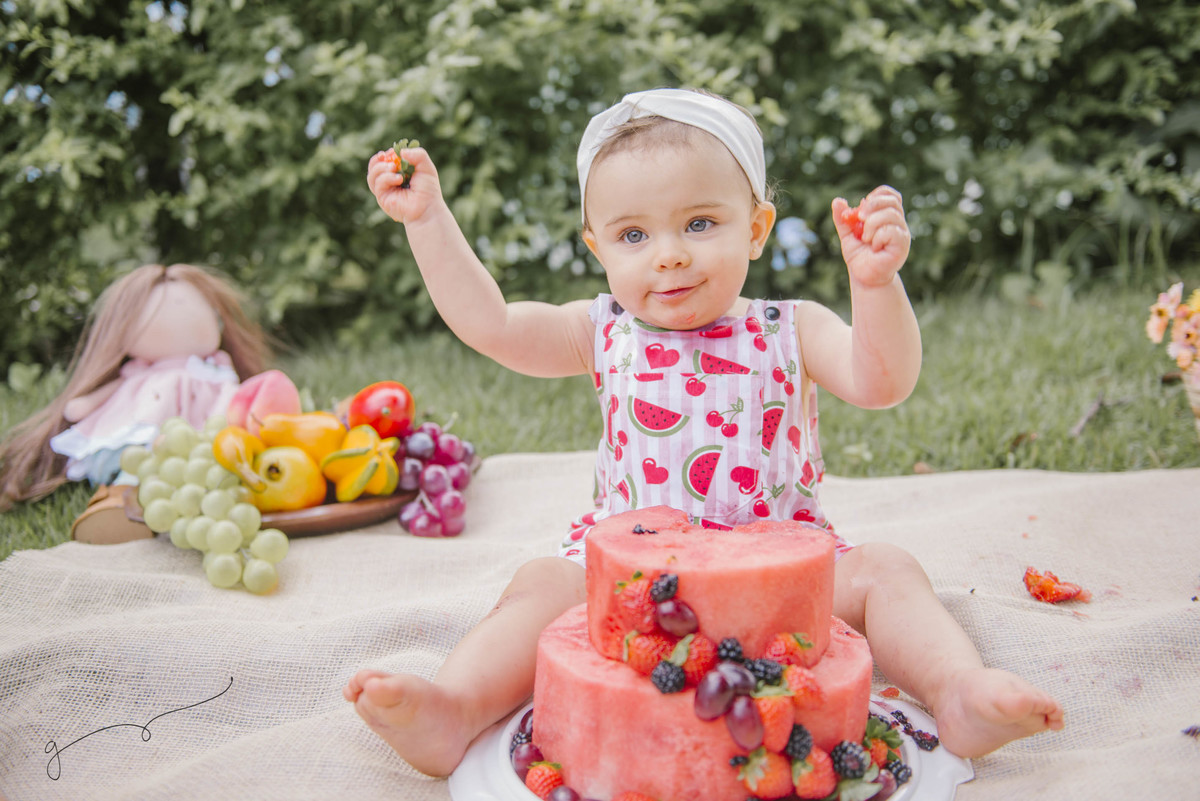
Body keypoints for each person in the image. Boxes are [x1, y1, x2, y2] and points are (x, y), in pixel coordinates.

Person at [343, 88, 1064, 777]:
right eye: (633, 234)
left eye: (698, 224)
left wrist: (876, 286)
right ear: (598, 247)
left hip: (786, 578)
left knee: (888, 570)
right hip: (631, 584)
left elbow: (883, 381)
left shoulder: (793, 325)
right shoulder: (598, 331)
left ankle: (960, 690)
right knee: (540, 584)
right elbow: (491, 324)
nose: (670, 254)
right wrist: (426, 219)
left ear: (754, 227)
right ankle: (453, 708)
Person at [0, 263, 267, 512]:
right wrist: (83, 405)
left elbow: (231, 395)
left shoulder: (214, 368)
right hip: (145, 430)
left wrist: (227, 424)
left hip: (198, 439)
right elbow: (84, 405)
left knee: (195, 468)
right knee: (139, 461)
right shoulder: (140, 373)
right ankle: (118, 502)